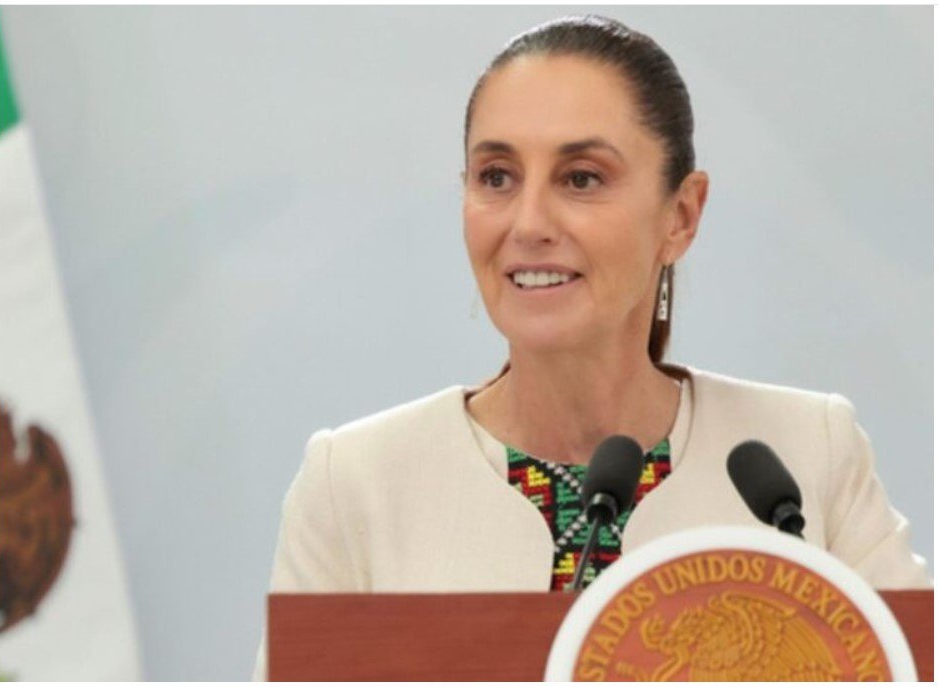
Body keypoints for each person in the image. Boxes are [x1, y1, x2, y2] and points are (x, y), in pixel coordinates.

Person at [252, 15, 930, 680]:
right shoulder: (355, 483)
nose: (529, 224)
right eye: (497, 177)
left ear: (681, 215)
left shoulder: (806, 457)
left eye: (581, 178)